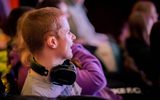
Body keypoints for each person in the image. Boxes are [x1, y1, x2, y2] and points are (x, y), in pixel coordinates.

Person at [18, 7, 81, 98]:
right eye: (68, 32)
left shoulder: (64, 70)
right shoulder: (35, 95)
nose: (74, 37)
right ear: (52, 42)